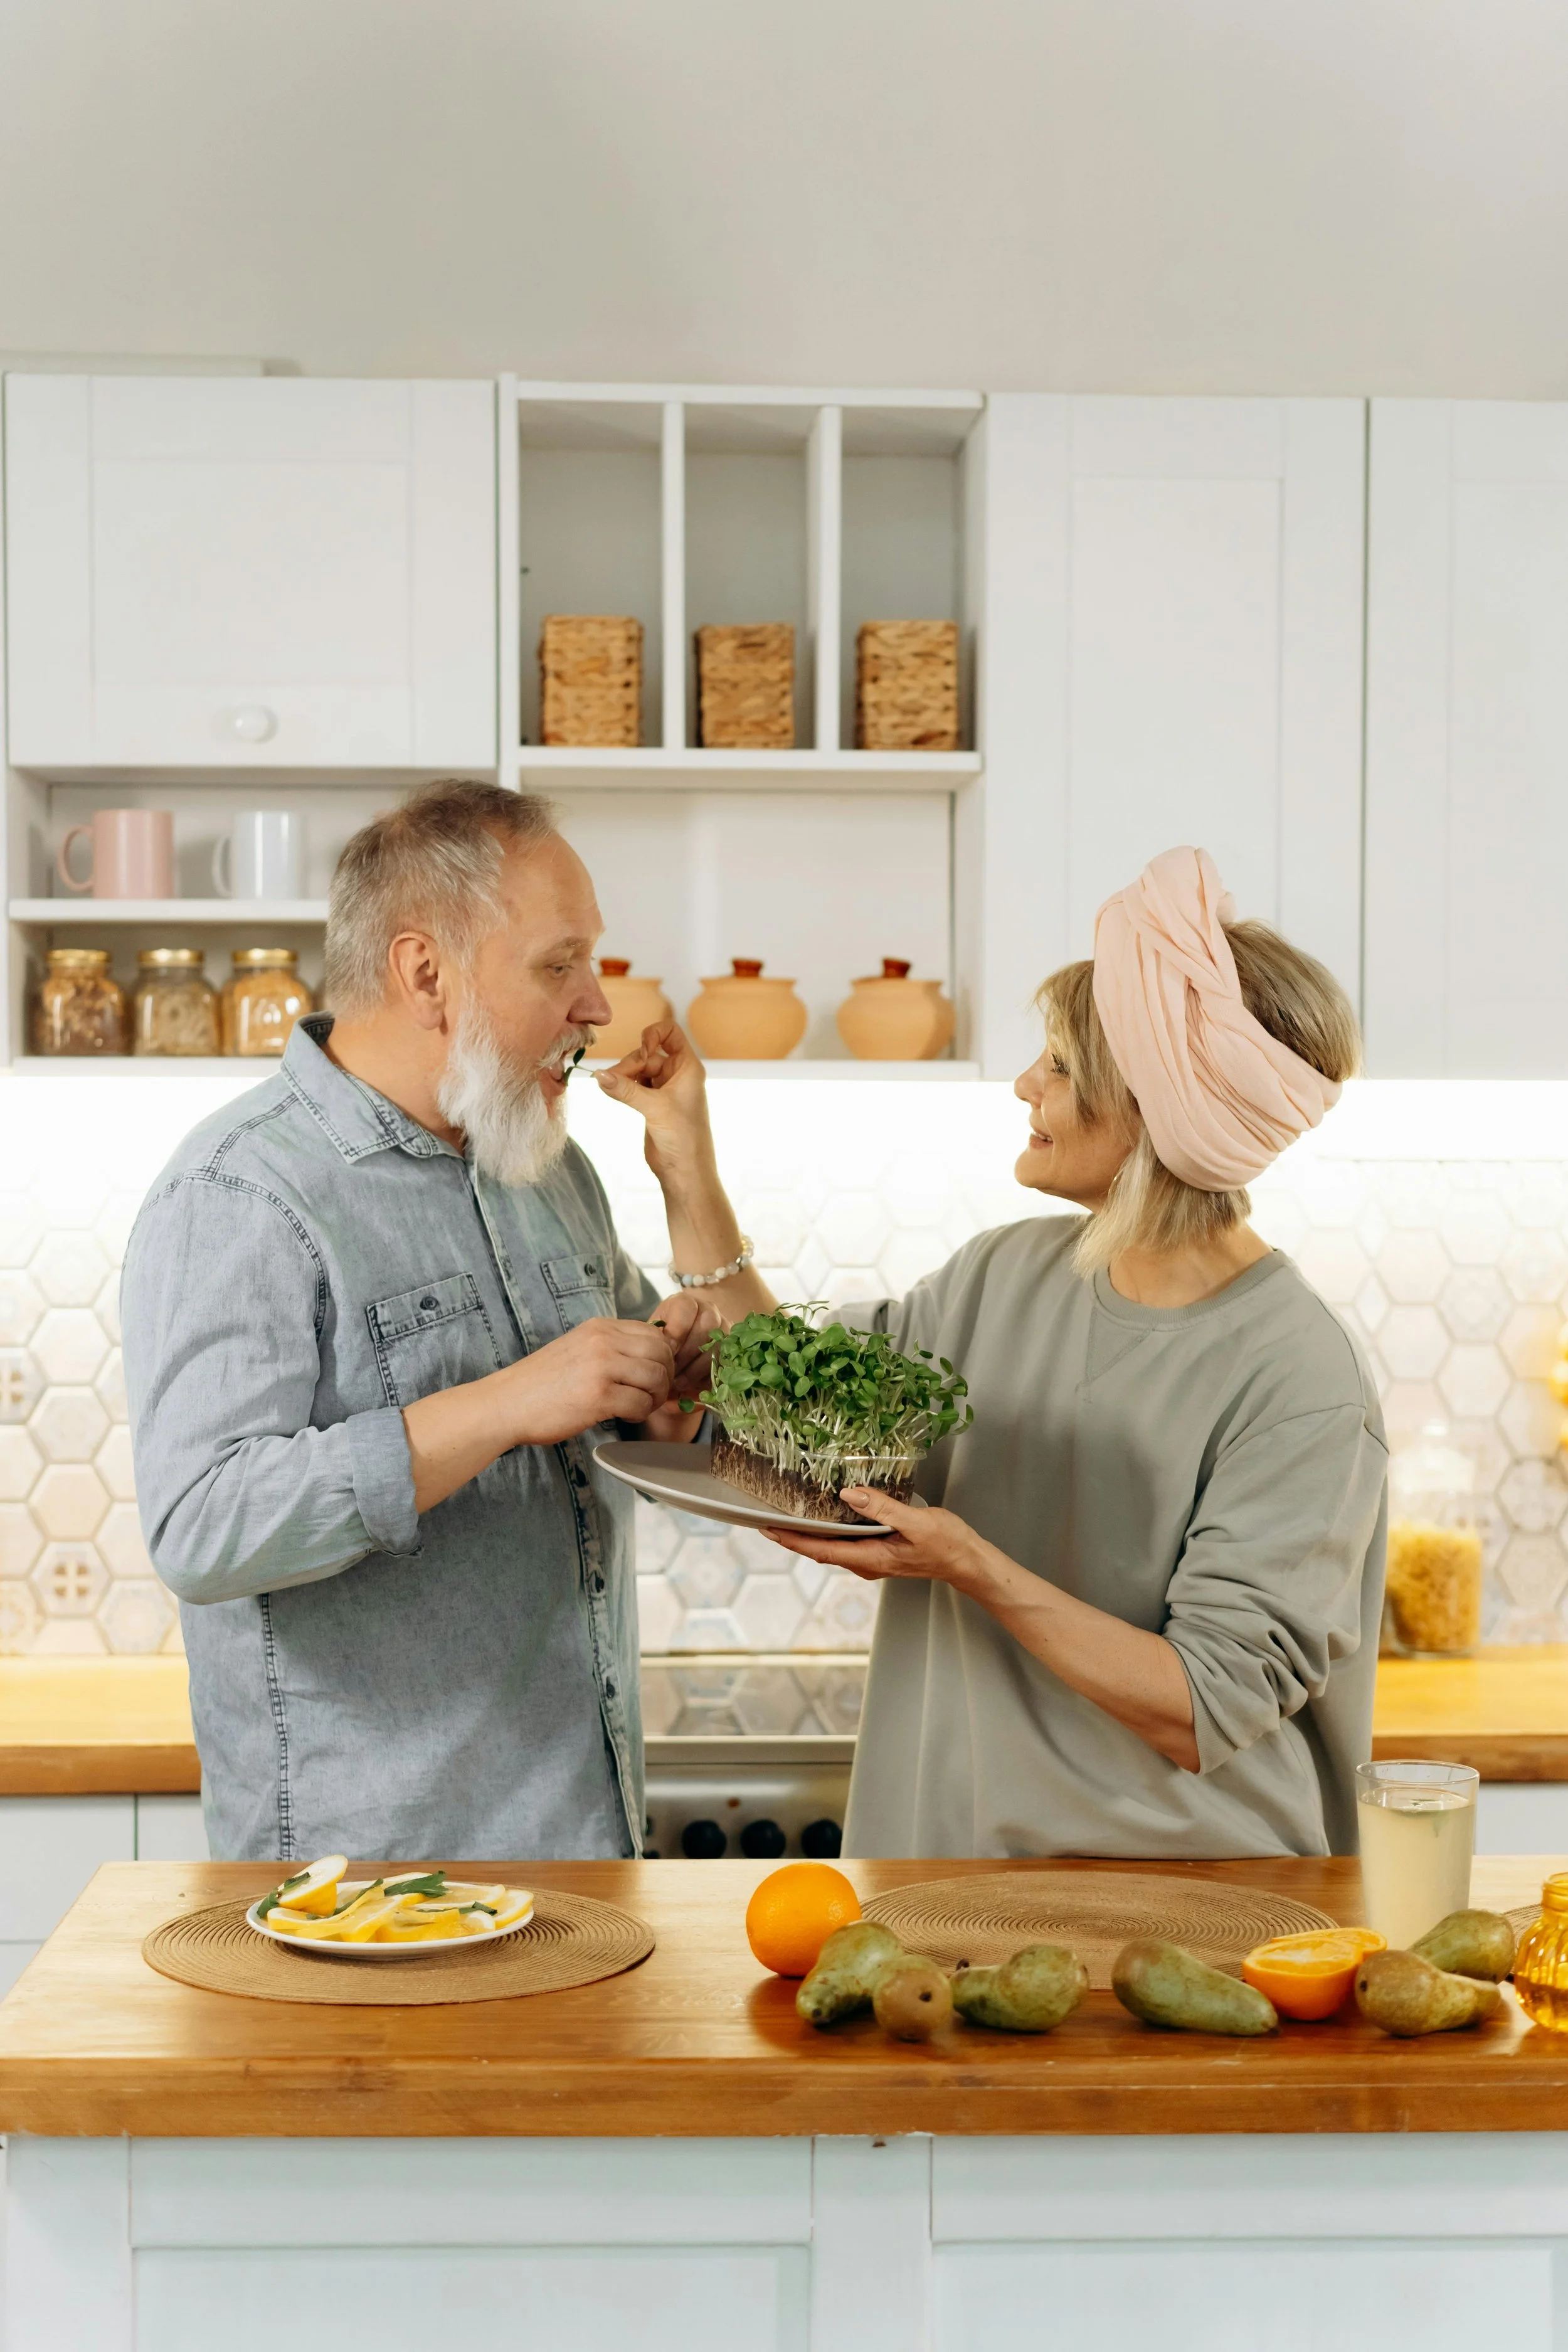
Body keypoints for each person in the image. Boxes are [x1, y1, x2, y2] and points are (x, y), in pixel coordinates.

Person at [120, 780, 769, 1862]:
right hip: (367, 1893)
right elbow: (202, 1526)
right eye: (559, 964)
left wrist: (657, 1406)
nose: (599, 1005)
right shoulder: (240, 1192)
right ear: (426, 973)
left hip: (581, 1857)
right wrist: (508, 1403)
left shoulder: (545, 1171)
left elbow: (624, 1433)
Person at [769, 847, 1387, 1861]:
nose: (1025, 1084)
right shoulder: (1004, 1275)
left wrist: (969, 1563)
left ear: (1149, 1109)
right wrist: (685, 1161)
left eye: (1058, 1063)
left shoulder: (1300, 1378)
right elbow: (798, 1404)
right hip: (946, 1884)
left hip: (1190, 1917)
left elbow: (1202, 1705)